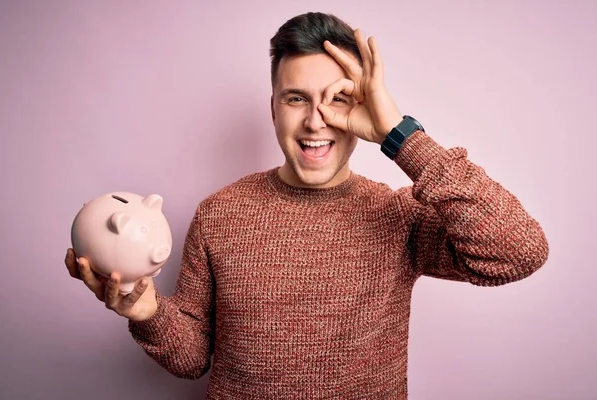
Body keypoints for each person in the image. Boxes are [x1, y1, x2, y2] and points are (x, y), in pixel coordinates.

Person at [65, 12, 549, 399]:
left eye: (337, 99)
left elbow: (520, 251)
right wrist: (148, 312)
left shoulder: (397, 216)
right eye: (296, 98)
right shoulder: (219, 214)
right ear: (273, 108)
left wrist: (399, 134)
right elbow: (194, 360)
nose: (316, 121)